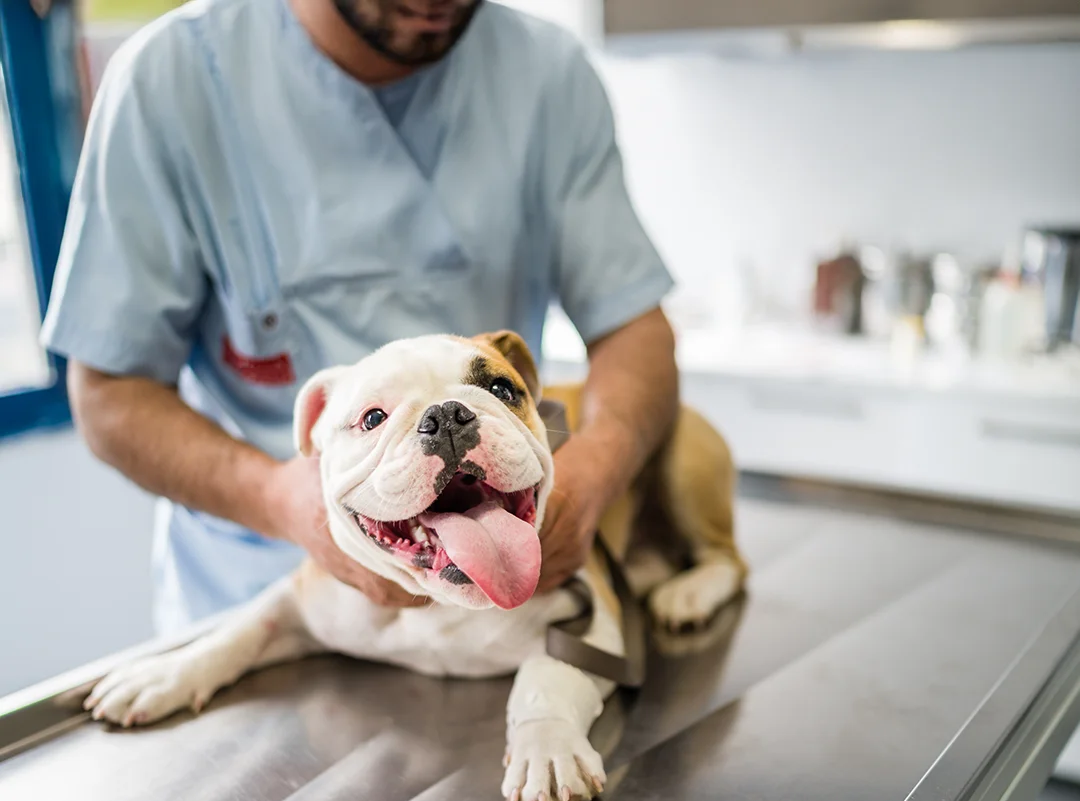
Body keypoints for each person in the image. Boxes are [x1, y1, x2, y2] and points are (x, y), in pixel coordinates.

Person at [43, 0, 678, 635]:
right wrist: (280, 500)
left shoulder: (547, 73)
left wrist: (594, 471)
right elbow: (108, 392)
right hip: (257, 602)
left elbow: (632, 325)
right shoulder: (171, 80)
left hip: (497, 590)